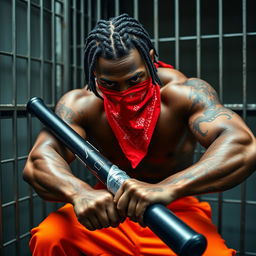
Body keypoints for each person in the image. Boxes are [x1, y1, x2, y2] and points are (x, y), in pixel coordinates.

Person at [23, 13, 256, 256]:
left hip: (173, 207)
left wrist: (167, 188)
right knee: (50, 238)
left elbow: (242, 145)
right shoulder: (82, 104)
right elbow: (38, 161)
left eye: (135, 79)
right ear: (94, 73)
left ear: (150, 60)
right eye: (110, 84)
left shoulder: (184, 93)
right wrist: (78, 192)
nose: (125, 92)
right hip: (110, 209)